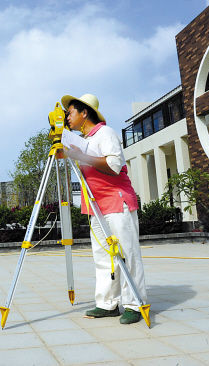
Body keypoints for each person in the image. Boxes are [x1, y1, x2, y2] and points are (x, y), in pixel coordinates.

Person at [61, 93, 147, 324]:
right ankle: (107, 304)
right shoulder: (83, 140)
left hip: (116, 201)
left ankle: (134, 304)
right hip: (96, 206)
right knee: (103, 257)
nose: (67, 117)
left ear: (84, 112)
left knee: (127, 255)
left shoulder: (105, 133)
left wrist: (80, 156)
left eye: (70, 113)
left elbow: (114, 165)